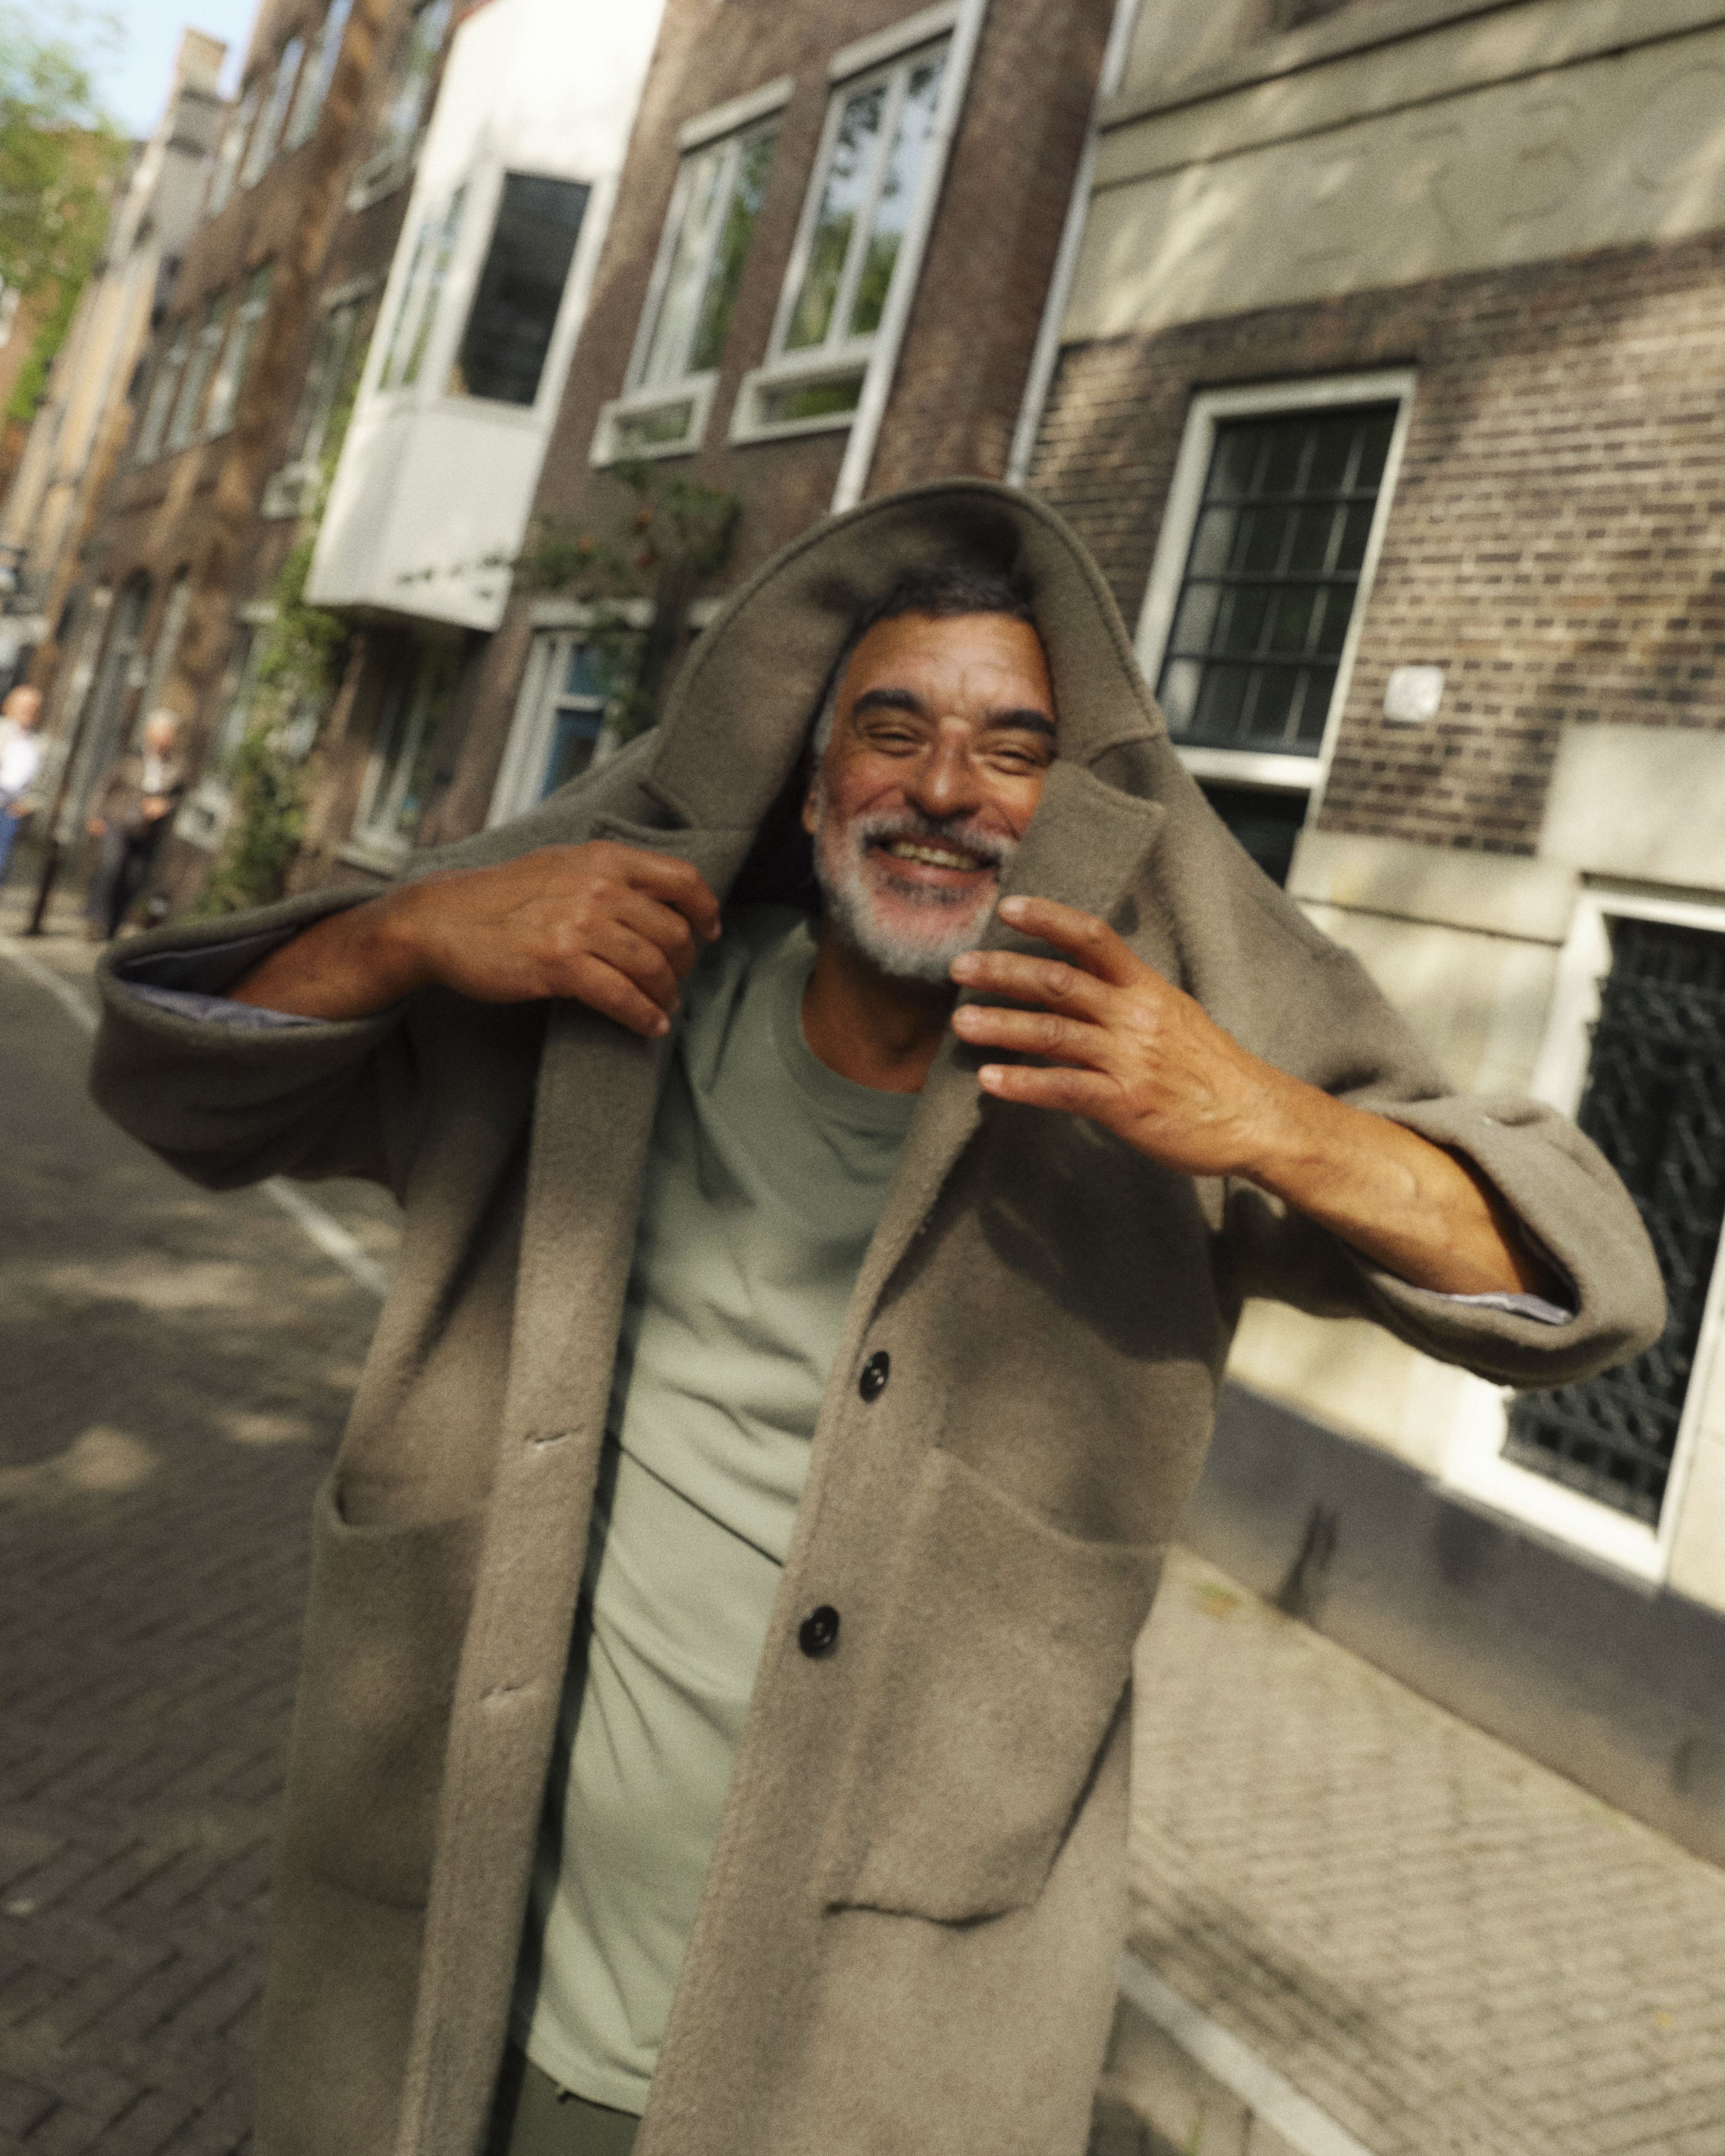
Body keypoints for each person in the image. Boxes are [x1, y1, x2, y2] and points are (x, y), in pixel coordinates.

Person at [90, 484, 1664, 2156]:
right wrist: (401, 929)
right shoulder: (593, 1009)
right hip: (462, 1996)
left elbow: (1584, 1282)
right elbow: (177, 1085)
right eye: (892, 729)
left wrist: (1263, 1114)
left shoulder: (1149, 1089)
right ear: (810, 774)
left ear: (1071, 812)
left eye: (1010, 749)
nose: (944, 787)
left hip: (860, 2081)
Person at [83, 707, 187, 941]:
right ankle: (95, 920)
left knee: (134, 878)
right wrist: (94, 815)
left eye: (168, 734)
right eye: (159, 732)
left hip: (148, 832)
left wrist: (164, 805)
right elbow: (105, 786)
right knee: (112, 868)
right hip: (118, 822)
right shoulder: (130, 758)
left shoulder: (176, 768)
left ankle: (114, 925)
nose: (163, 739)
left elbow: (178, 799)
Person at [0, 683, 44, 886]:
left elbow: (44, 784)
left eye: (34, 708)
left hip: (11, 812)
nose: (29, 711)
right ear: (9, 706)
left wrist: (29, 804)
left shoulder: (38, 743)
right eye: (25, 706)